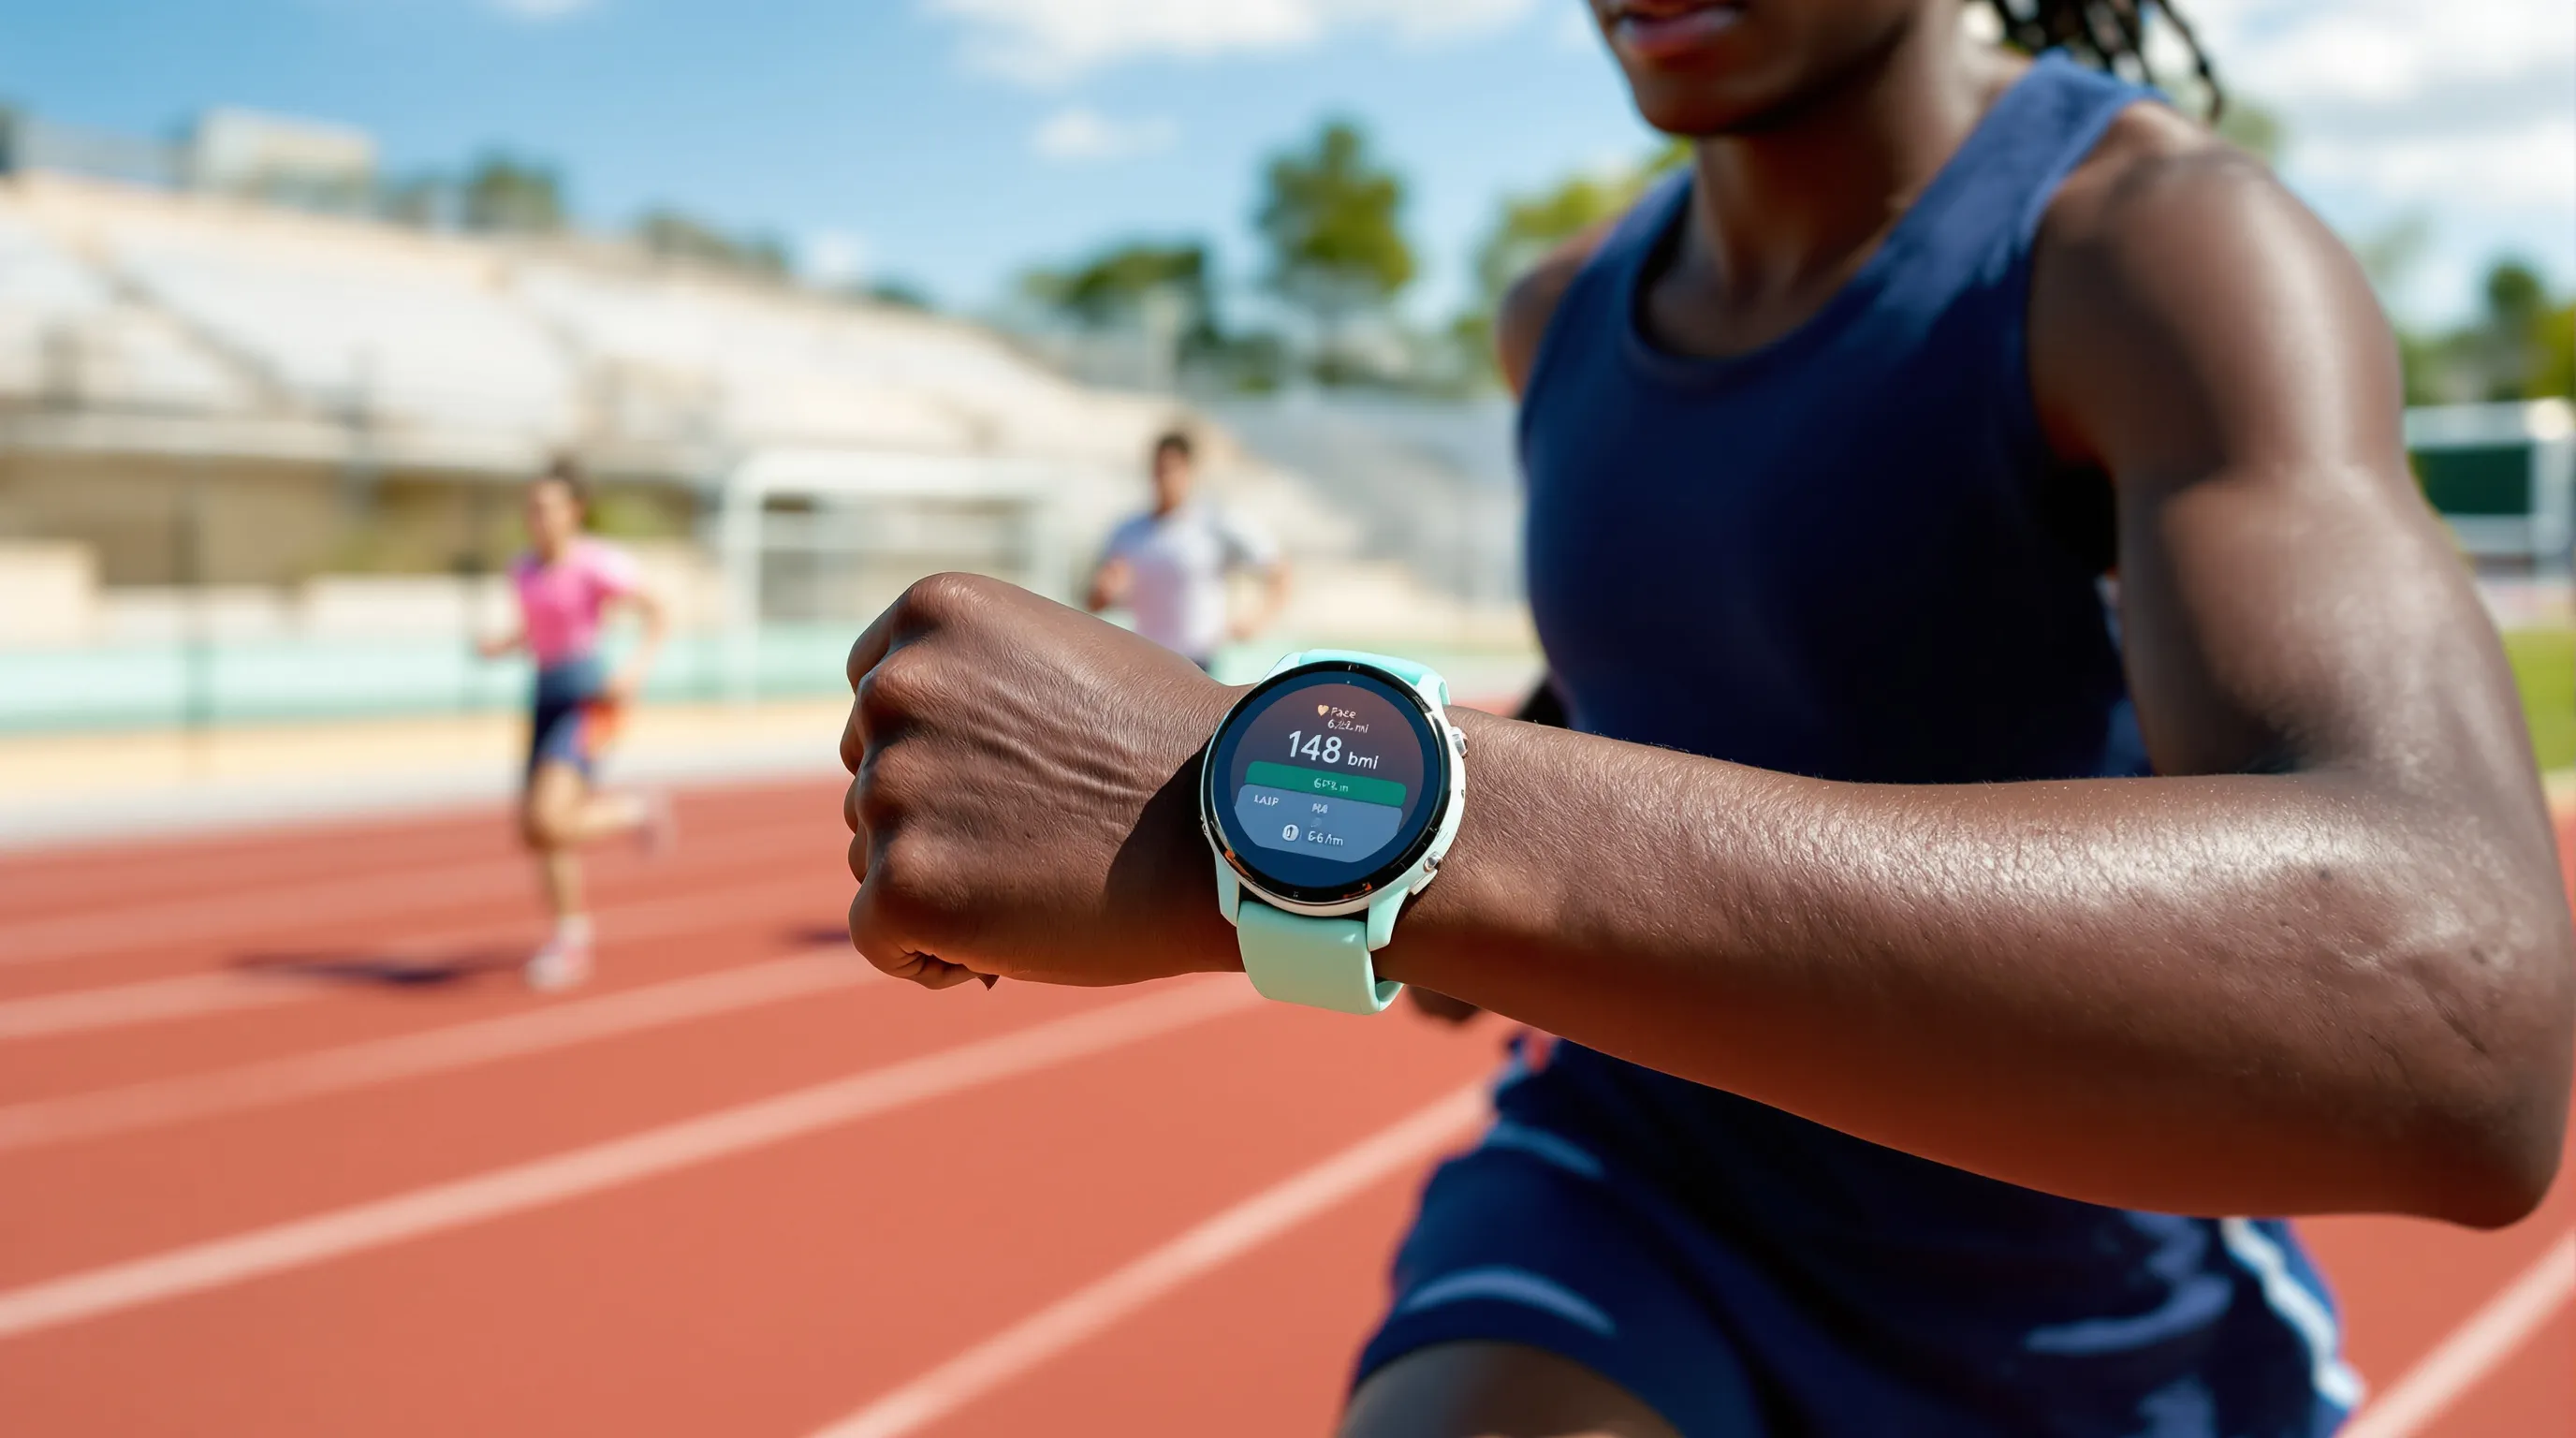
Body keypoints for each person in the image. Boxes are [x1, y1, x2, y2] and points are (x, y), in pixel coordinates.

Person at [835, 2, 2574, 1434]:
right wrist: (1432, 887)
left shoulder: (2156, 251)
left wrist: (1285, 800)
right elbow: (1649, 690)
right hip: (1632, 1198)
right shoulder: (1559, 318)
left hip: (2068, 1279)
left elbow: (2461, 1018)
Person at [479, 458, 672, 991]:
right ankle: (570, 936)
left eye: (548, 508)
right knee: (537, 831)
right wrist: (502, 645)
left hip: (591, 699)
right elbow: (536, 626)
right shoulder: (521, 570)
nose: (537, 518)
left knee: (546, 816)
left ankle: (637, 809)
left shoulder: (596, 564)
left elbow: (657, 612)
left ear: (575, 511)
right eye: (531, 508)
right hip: (543, 695)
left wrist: (633, 670)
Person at [1086, 430, 1290, 671]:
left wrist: (1258, 619)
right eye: (1160, 469)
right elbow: (1094, 601)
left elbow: (1279, 571)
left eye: (1173, 469)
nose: (1165, 479)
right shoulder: (1128, 532)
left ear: (1189, 471)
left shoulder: (1215, 523)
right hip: (1145, 659)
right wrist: (1106, 591)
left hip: (1198, 662)